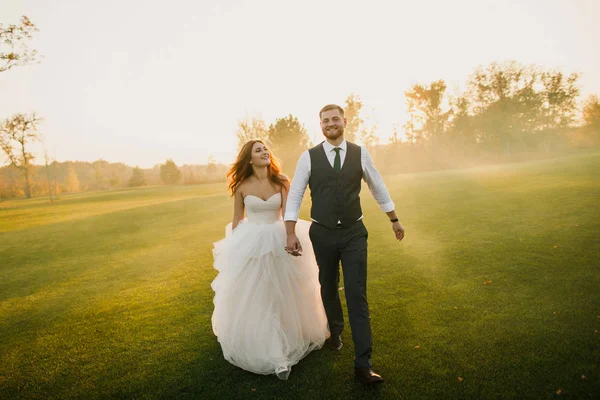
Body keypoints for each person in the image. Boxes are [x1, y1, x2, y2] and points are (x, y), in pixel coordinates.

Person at [284, 104, 405, 385]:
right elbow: (296, 194)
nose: (330, 124)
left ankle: (364, 364)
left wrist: (394, 219)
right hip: (322, 233)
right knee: (328, 285)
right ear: (321, 125)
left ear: (344, 121)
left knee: (356, 293)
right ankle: (335, 330)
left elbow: (377, 186)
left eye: (335, 119)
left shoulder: (360, 153)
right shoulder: (309, 157)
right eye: (325, 120)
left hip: (353, 233)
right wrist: (290, 232)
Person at [211, 140, 329, 380]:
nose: (264, 152)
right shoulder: (242, 186)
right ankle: (269, 345)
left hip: (278, 238)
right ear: (249, 159)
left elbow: (288, 213)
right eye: (258, 150)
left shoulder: (281, 180)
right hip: (251, 241)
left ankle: (289, 336)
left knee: (284, 291)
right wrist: (234, 248)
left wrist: (291, 236)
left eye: (266, 149)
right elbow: (236, 218)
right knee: (259, 293)